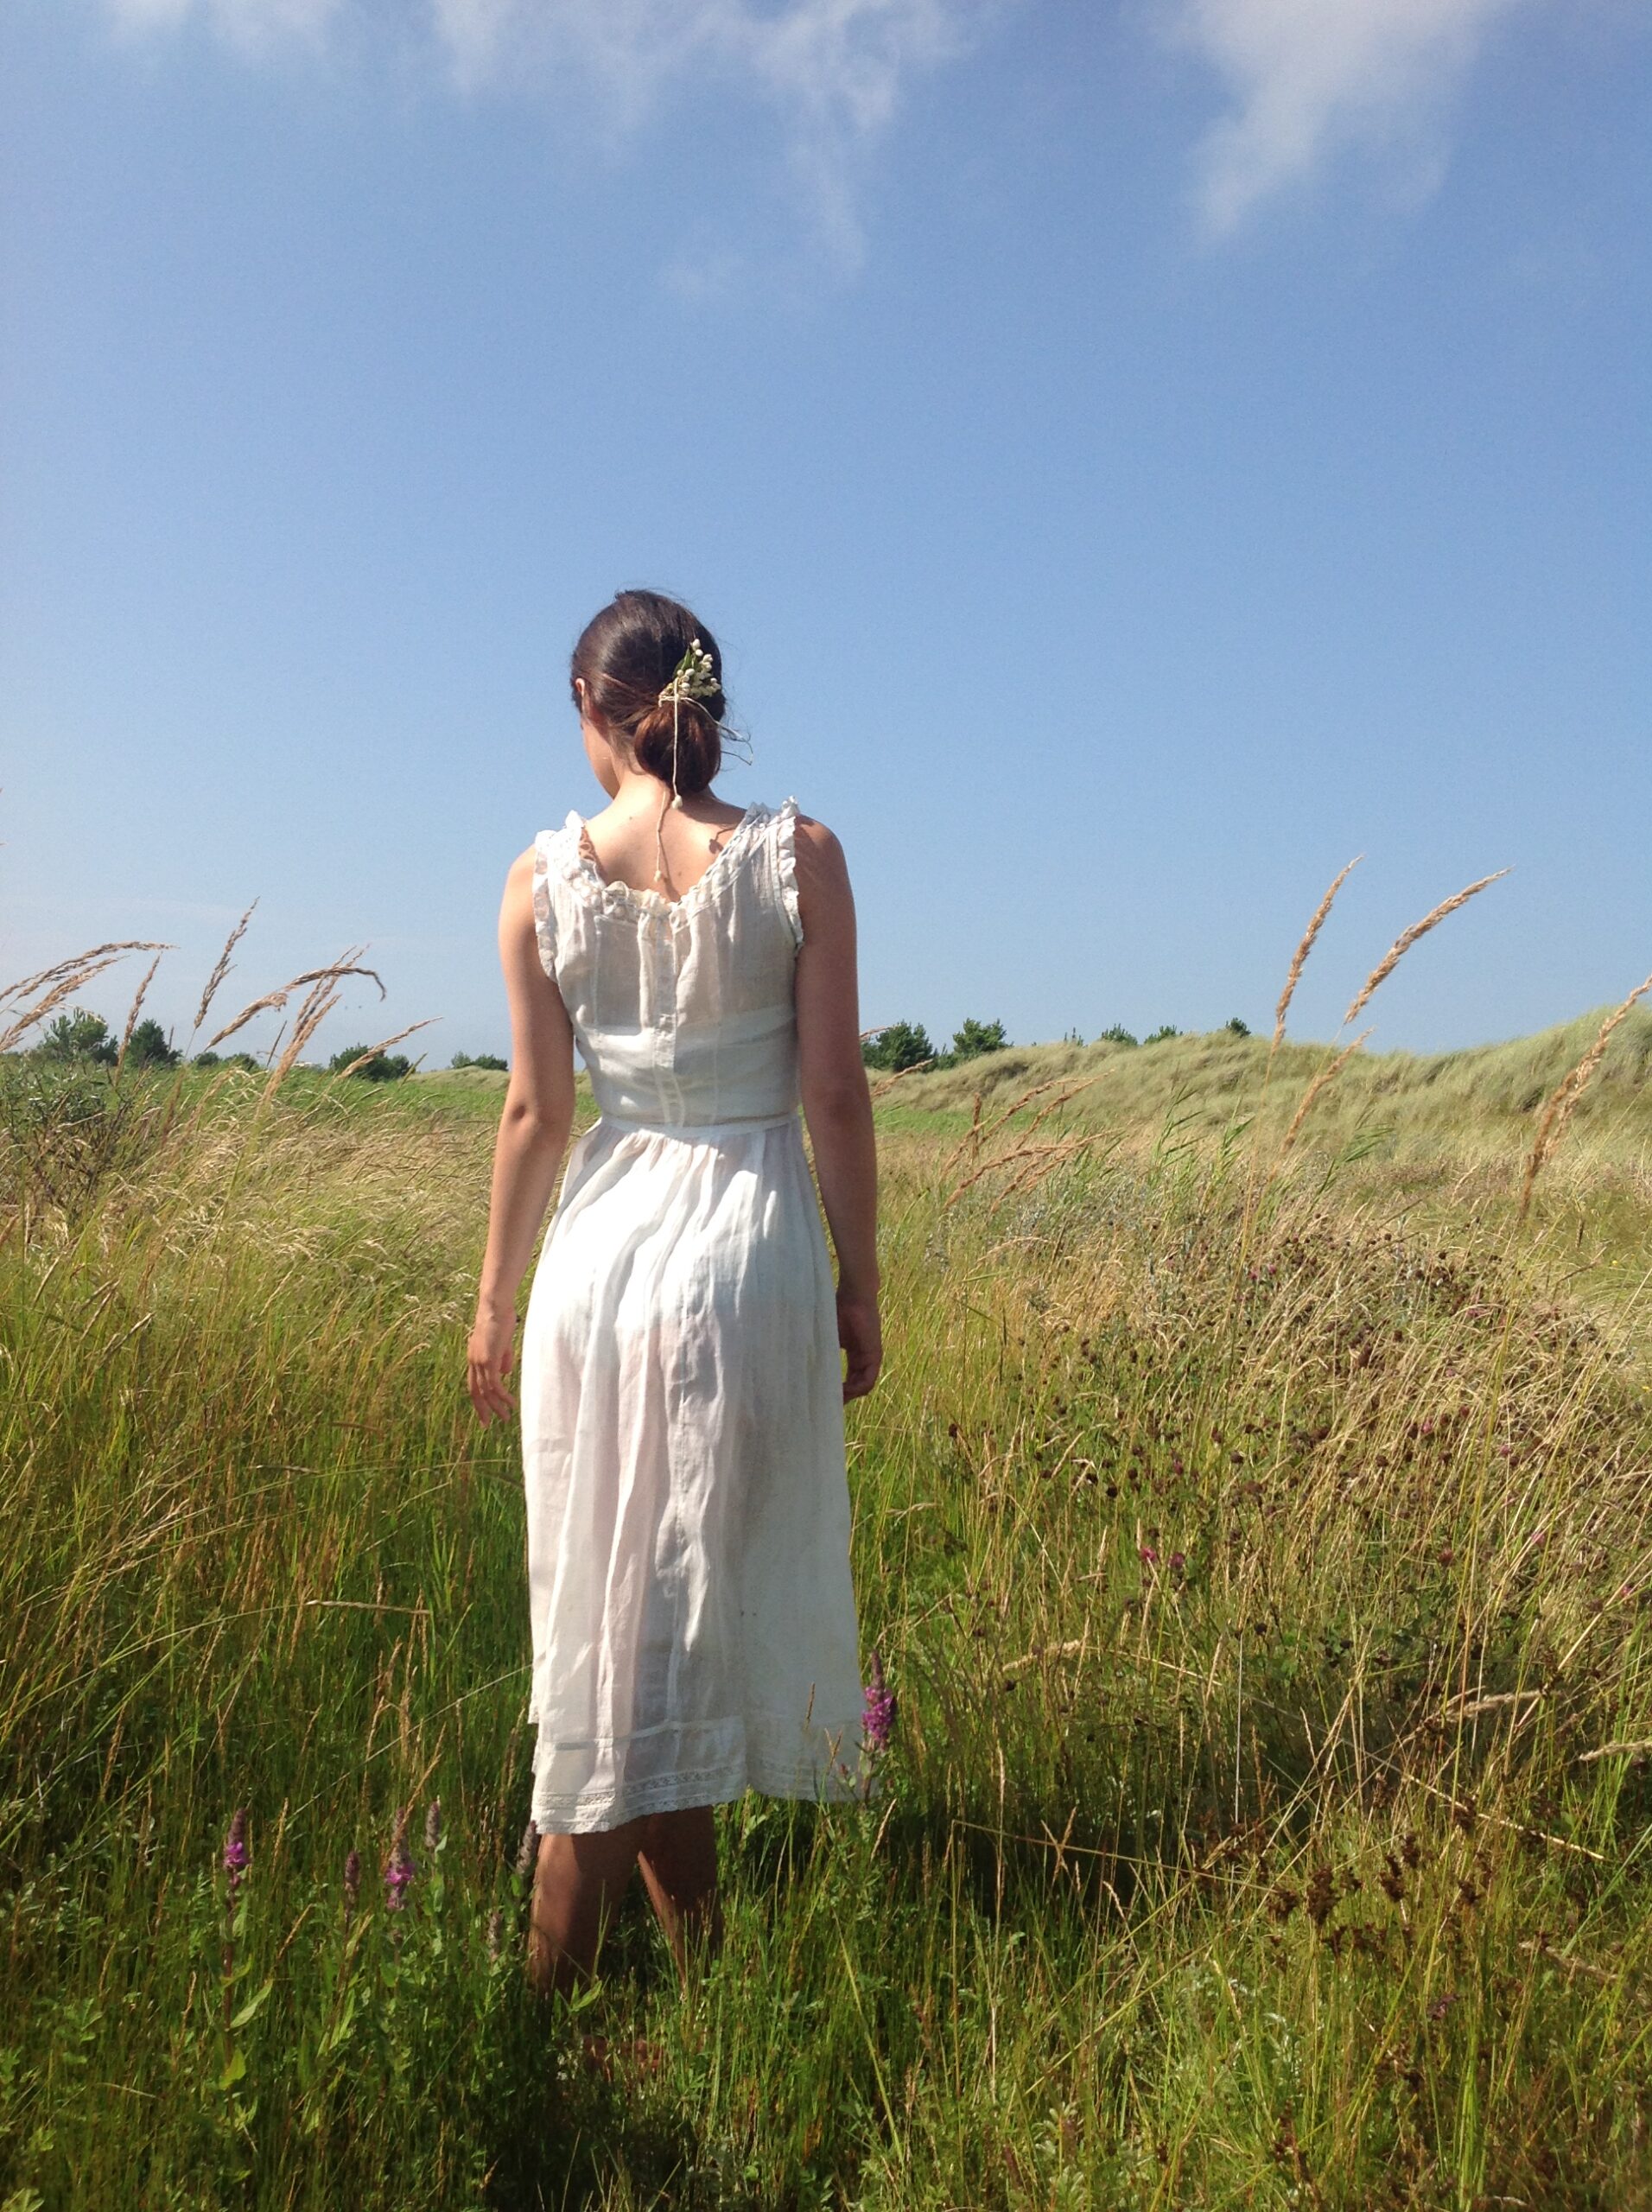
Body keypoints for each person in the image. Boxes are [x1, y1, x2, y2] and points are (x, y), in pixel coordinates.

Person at [466, 588, 882, 1998]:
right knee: (664, 1625)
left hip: (596, 1266)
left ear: (595, 707)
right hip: (744, 1254)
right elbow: (832, 1092)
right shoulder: (799, 859)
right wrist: (861, 1282)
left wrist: (491, 1302)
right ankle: (605, 1985)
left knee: (624, 1623)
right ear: (705, 705)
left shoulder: (543, 881)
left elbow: (535, 1111)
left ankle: (626, 1987)